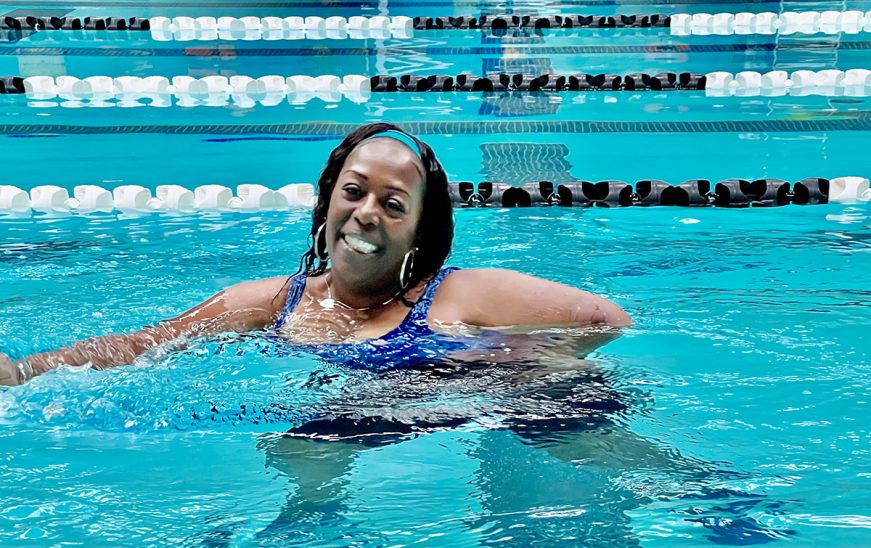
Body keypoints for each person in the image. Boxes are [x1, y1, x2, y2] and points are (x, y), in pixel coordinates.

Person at [0, 122, 630, 387]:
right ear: (328, 200)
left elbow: (607, 320)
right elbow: (146, 343)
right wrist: (22, 372)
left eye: (393, 204)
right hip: (351, 434)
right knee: (305, 442)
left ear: (418, 230)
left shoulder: (460, 295)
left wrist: (498, 363)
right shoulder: (271, 303)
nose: (366, 213)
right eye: (354, 193)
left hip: (511, 418)